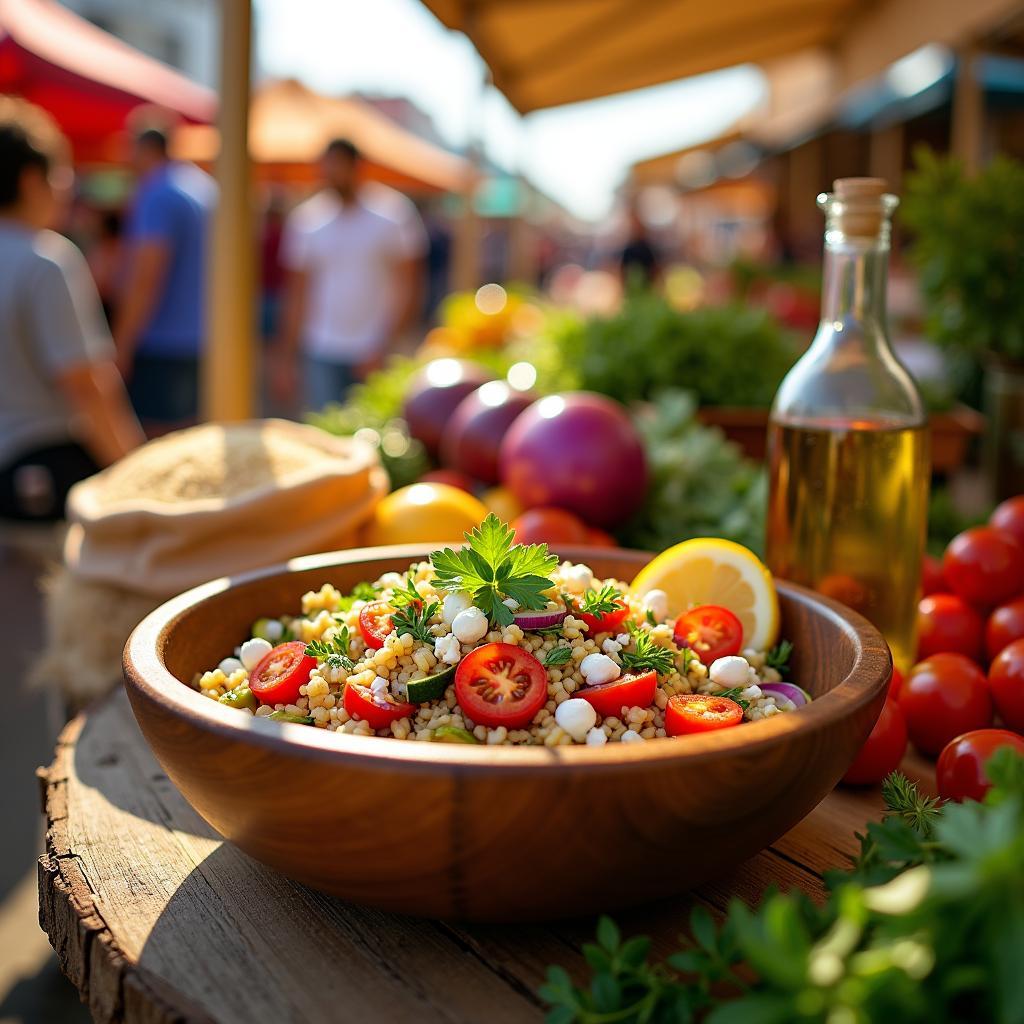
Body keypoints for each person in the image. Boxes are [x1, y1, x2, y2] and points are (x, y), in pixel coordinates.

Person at [0, 97, 143, 522]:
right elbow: (85, 385)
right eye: (60, 175)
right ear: (30, 180)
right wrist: (133, 475)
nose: (67, 188)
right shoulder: (45, 260)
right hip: (43, 471)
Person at [273, 138, 426, 411]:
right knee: (326, 430)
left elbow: (410, 284)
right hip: (320, 346)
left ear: (357, 167)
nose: (333, 174)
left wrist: (385, 343)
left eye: (340, 166)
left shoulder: (392, 213)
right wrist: (286, 358)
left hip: (374, 348)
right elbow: (297, 292)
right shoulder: (307, 219)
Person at [114, 127, 215, 430]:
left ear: (145, 149)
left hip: (161, 344)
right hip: (203, 337)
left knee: (157, 442)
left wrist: (122, 344)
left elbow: (146, 274)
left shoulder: (157, 193)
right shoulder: (204, 187)